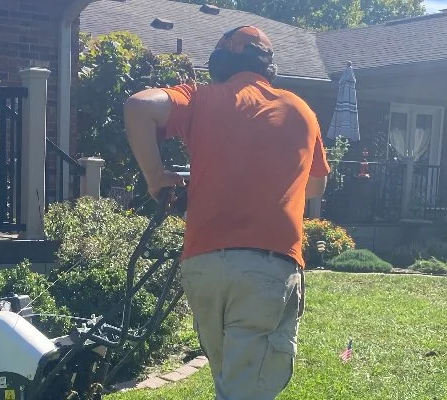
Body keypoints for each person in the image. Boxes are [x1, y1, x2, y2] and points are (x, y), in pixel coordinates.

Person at [122, 26, 331, 399]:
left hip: (203, 266)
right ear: (270, 67)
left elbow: (139, 107)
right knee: (246, 390)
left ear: (219, 65)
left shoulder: (201, 98)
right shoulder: (301, 110)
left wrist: (156, 176)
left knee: (231, 382)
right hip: (267, 265)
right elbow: (315, 187)